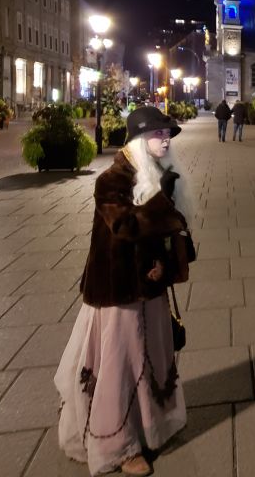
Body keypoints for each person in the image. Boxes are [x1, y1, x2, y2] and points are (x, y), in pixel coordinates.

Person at [55, 107, 194, 477]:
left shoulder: (162, 173)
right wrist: (164, 208)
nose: (165, 140)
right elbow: (125, 226)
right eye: (157, 134)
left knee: (151, 358)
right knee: (120, 365)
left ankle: (148, 429)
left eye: (167, 134)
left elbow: (169, 231)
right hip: (118, 289)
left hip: (150, 285)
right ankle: (118, 446)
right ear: (137, 139)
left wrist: (173, 249)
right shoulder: (112, 179)